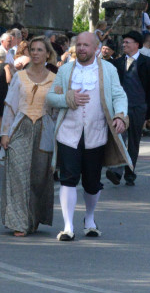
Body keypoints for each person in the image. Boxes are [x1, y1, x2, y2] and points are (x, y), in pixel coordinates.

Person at [46, 32, 130, 241]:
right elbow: (50, 97)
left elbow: (119, 95)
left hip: (97, 133)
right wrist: (68, 97)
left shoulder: (108, 69)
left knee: (92, 183)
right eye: (79, 45)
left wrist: (120, 116)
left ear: (95, 48)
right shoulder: (65, 70)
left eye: (86, 45)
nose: (81, 48)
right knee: (68, 178)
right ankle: (67, 226)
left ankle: (89, 219)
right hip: (68, 133)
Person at [0, 36, 57, 236]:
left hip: (44, 129)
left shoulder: (54, 79)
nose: (35, 53)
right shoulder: (19, 77)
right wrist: (5, 133)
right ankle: (19, 222)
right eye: (32, 49)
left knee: (39, 177)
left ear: (48, 54)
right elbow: (10, 106)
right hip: (20, 128)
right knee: (18, 175)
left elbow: (57, 111)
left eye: (40, 50)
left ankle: (33, 217)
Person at [105, 31, 150, 187]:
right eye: (124, 42)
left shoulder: (148, 62)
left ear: (137, 44)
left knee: (134, 142)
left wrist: (149, 109)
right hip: (120, 109)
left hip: (138, 107)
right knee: (120, 138)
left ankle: (130, 172)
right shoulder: (117, 63)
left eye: (127, 42)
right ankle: (117, 171)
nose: (124, 45)